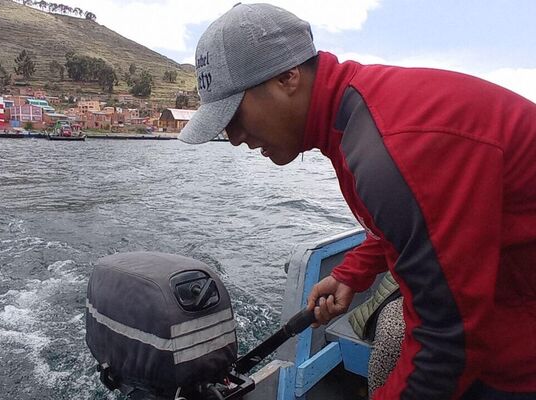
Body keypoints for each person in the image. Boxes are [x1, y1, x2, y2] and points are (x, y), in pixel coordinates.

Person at [178, 3, 536, 399]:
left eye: (234, 115)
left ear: (287, 78)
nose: (232, 136)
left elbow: (449, 343)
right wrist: (352, 273)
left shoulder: (396, 145)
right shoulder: (357, 119)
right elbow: (415, 223)